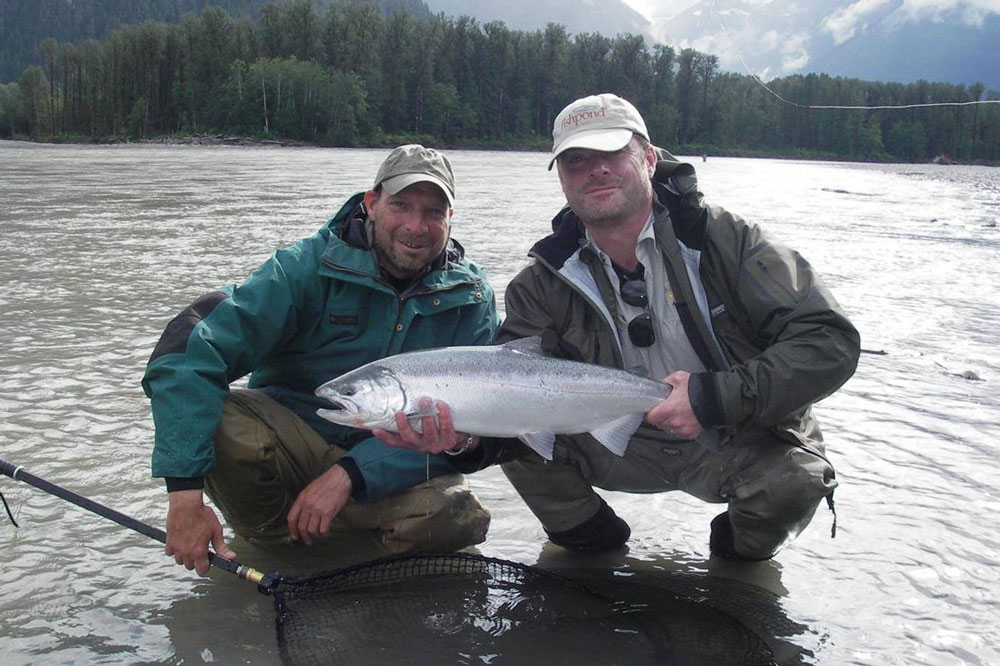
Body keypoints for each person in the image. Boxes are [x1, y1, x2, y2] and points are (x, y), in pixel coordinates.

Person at [379, 94, 861, 561]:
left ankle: (734, 562)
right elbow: (508, 403)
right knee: (524, 447)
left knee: (795, 479)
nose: (596, 170)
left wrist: (712, 397)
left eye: (613, 152)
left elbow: (830, 342)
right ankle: (595, 554)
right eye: (577, 160)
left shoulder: (728, 242)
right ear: (562, 179)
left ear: (649, 159)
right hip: (613, 440)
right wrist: (462, 441)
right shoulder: (540, 282)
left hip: (732, 429)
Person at [142, 144, 498, 575]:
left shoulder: (472, 297)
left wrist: (349, 474)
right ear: (371, 203)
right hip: (294, 441)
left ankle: (354, 557)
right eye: (400, 205)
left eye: (433, 212)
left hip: (388, 466)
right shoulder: (303, 267)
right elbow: (188, 349)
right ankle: (282, 548)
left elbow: (470, 432)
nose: (416, 226)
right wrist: (184, 495)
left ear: (450, 218)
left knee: (456, 516)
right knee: (221, 420)